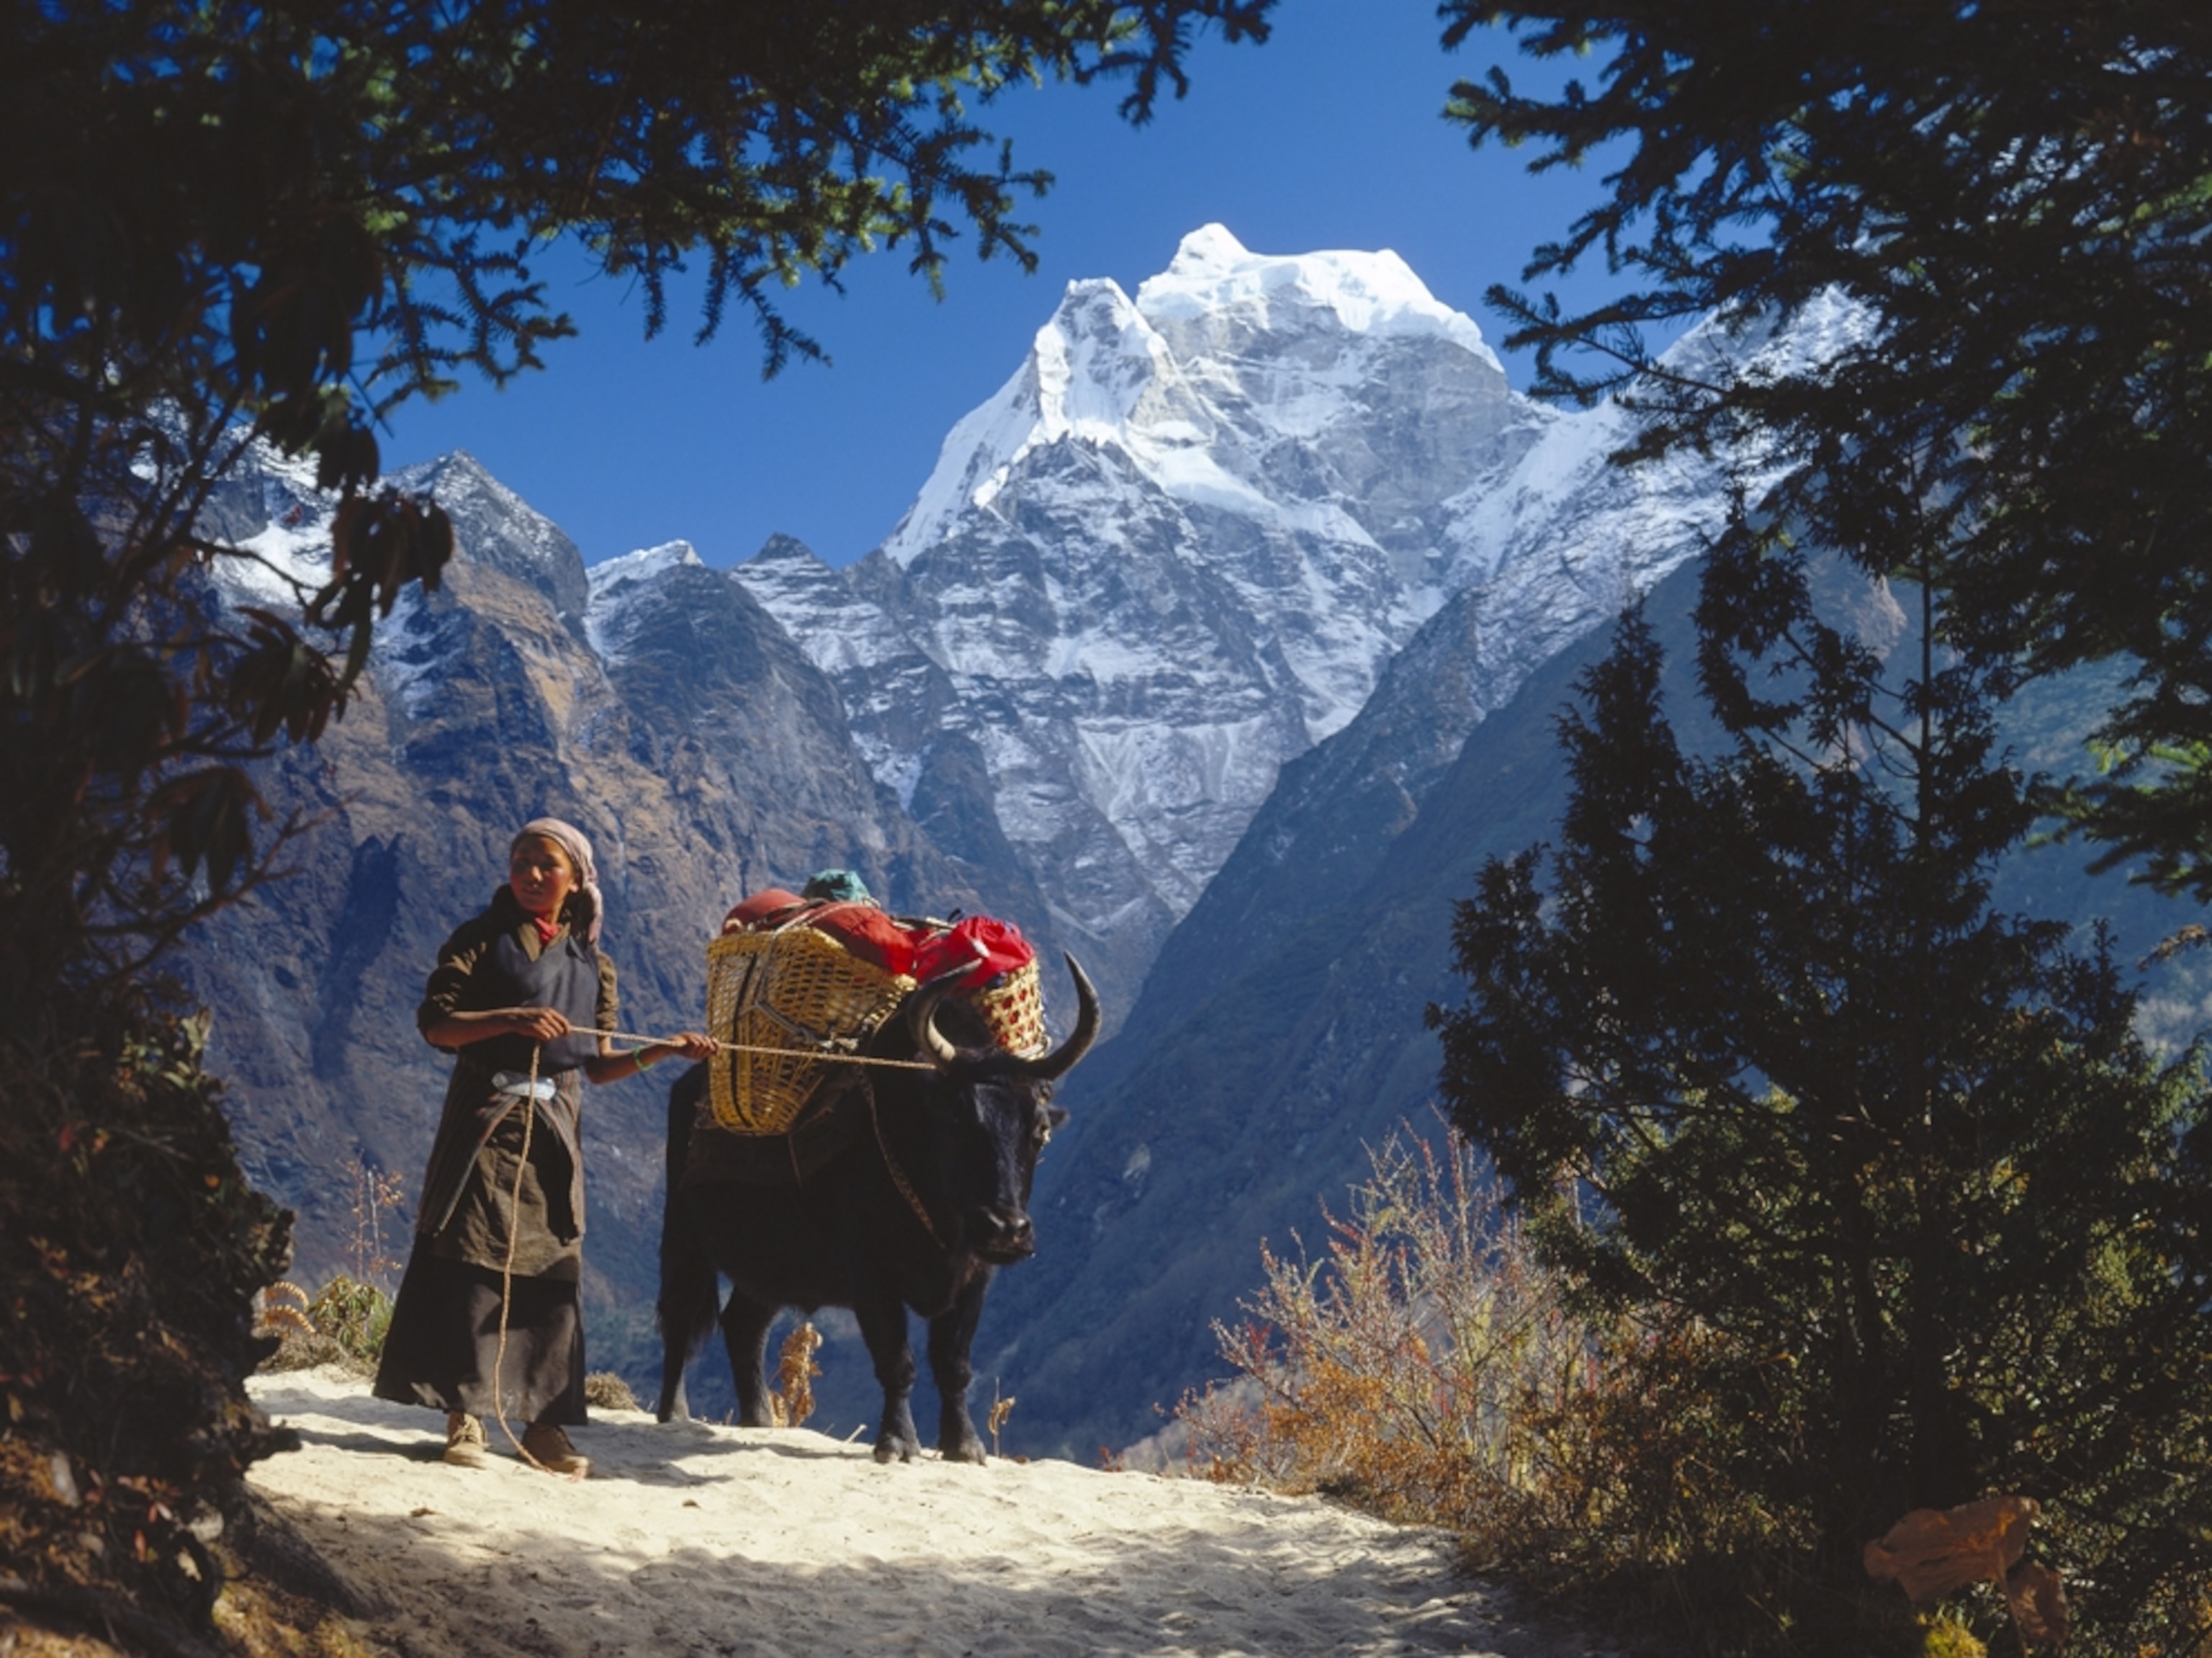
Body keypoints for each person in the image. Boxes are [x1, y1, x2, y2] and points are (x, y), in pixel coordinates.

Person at [372, 818, 715, 1476]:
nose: (531, 874)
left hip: (554, 1131)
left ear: (576, 880)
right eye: (521, 861)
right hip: (484, 1121)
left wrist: (665, 1050)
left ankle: (545, 1426)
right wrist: (511, 1019)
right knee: (470, 1258)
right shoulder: (479, 940)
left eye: (546, 865)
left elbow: (599, 1064)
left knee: (552, 1269)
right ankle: (466, 1417)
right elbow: (438, 1026)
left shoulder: (593, 964)